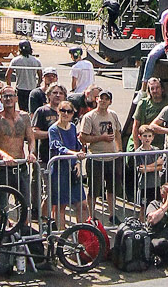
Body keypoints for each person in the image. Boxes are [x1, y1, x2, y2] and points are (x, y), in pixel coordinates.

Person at [78, 87, 123, 222]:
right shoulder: (89, 117)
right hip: (96, 158)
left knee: (112, 188)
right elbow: (83, 137)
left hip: (112, 158)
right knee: (94, 189)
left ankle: (112, 215)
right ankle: (92, 216)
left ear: (110, 102)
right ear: (96, 100)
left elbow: (117, 133)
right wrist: (101, 138)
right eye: (101, 98)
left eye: (106, 99)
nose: (103, 101)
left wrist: (120, 150)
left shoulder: (113, 115)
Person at [47, 100, 87, 228]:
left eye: (69, 111)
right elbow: (58, 147)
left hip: (73, 169)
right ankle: (61, 234)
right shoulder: (53, 129)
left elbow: (77, 145)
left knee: (82, 204)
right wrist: (74, 154)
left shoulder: (73, 127)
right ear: (58, 111)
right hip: (59, 170)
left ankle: (83, 234)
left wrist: (78, 161)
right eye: (62, 110)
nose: (65, 114)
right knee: (61, 205)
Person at [6, 39, 41, 111]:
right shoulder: (36, 61)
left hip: (20, 89)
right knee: (32, 110)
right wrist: (38, 85)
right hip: (32, 88)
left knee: (22, 110)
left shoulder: (15, 60)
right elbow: (40, 76)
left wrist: (9, 87)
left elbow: (8, 75)